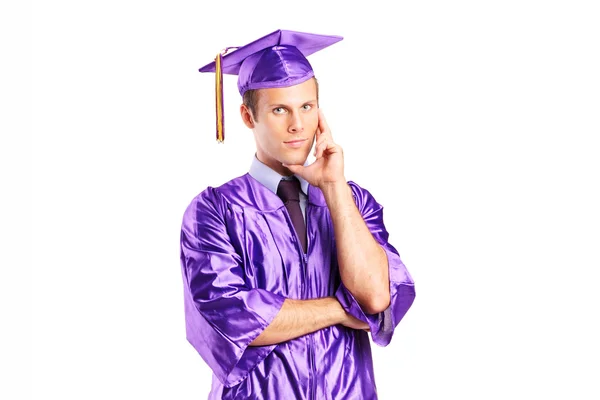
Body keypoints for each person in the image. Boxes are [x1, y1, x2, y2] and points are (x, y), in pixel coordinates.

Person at [180, 29, 416, 400]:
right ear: (247, 116)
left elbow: (375, 298)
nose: (297, 125)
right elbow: (237, 320)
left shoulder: (354, 202)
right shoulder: (214, 212)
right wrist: (341, 308)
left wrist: (335, 188)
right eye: (279, 110)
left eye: (307, 107)